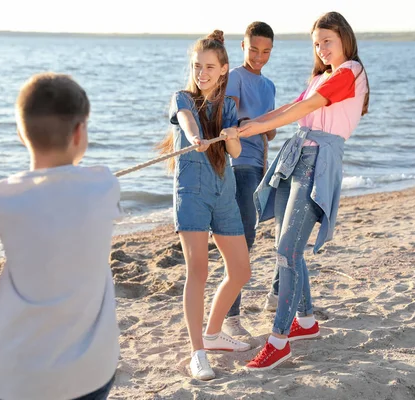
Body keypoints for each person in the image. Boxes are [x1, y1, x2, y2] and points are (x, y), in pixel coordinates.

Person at [238, 11, 370, 371]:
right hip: (296, 156)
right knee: (287, 245)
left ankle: (278, 342)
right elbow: (293, 107)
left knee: (287, 251)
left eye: (327, 41)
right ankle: (307, 322)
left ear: (344, 37)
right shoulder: (322, 76)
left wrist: (251, 131)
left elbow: (309, 108)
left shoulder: (350, 72)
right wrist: (254, 122)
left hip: (318, 162)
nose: (322, 48)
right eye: (316, 43)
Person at [0, 73, 120, 399]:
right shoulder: (104, 184)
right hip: (90, 373)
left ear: (19, 133)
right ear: (80, 132)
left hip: (17, 379)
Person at [157, 30, 252, 381]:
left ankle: (213, 334)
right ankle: (198, 352)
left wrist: (232, 137)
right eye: (197, 66)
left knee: (241, 270)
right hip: (192, 192)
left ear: (224, 69)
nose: (202, 73)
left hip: (223, 191)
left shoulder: (228, 106)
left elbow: (236, 154)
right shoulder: (181, 98)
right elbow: (186, 119)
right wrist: (196, 136)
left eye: (210, 67)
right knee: (198, 269)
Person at [224, 21, 278, 333]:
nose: (259, 56)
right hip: (239, 165)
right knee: (243, 240)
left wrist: (266, 124)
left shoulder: (269, 86)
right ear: (243, 46)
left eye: (266, 51)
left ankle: (275, 293)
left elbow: (269, 130)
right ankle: (231, 318)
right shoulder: (236, 78)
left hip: (260, 165)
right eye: (254, 49)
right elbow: (230, 117)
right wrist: (248, 122)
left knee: (256, 235)